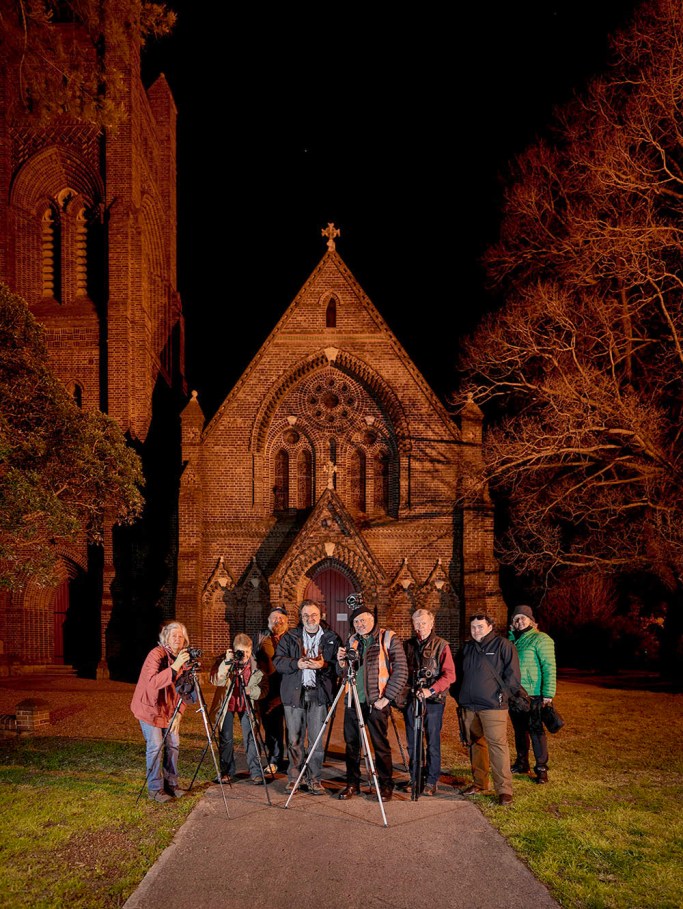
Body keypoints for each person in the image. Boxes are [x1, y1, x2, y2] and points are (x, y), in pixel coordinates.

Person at [336, 603, 408, 801]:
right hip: (353, 701)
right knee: (351, 746)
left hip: (377, 702)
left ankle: (386, 785)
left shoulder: (388, 637)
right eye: (356, 621)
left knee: (380, 745)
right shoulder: (352, 640)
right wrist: (341, 662)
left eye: (363, 620)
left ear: (372, 619)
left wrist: (387, 698)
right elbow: (344, 673)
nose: (359, 624)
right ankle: (352, 784)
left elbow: (401, 671)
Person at [452, 613, 521, 806]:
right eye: (473, 627)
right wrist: (459, 696)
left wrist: (503, 696)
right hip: (469, 706)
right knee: (476, 745)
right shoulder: (466, 648)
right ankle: (480, 783)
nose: (476, 630)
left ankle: (504, 790)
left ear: (490, 626)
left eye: (480, 626)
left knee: (497, 746)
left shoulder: (503, 646)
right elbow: (457, 674)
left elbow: (513, 676)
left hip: (493, 706)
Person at [273, 600, 341, 794]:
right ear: (301, 618)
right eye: (306, 616)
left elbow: (338, 666)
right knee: (294, 739)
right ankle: (295, 778)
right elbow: (278, 661)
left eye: (313, 615)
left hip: (318, 694)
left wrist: (324, 666)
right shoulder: (290, 637)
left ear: (320, 616)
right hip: (295, 694)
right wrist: (297, 664)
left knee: (316, 741)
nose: (310, 619)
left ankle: (314, 779)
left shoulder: (331, 638)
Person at [130, 620, 193, 803]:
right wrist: (174, 667)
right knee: (156, 746)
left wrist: (179, 713)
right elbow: (152, 683)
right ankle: (155, 789)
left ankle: (172, 784)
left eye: (180, 636)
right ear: (166, 637)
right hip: (149, 708)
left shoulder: (183, 658)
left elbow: (186, 689)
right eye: (174, 636)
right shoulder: (156, 655)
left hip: (169, 710)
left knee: (174, 744)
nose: (177, 639)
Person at [401, 608, 456, 796]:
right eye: (416, 623)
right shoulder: (407, 645)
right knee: (412, 742)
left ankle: (432, 780)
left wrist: (430, 690)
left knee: (432, 742)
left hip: (433, 701)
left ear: (431, 623)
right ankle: (415, 777)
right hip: (411, 700)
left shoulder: (442, 646)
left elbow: (450, 675)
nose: (420, 627)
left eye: (423, 623)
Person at [209, 633, 268, 784]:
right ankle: (227, 772)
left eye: (247, 652)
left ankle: (255, 771)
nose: (244, 656)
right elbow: (215, 680)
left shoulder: (256, 664)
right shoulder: (225, 660)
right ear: (235, 650)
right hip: (227, 703)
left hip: (247, 703)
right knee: (226, 738)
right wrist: (227, 663)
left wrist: (252, 691)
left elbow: (265, 688)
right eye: (241, 652)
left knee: (251, 737)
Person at [508, 604, 557, 784]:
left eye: (523, 618)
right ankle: (522, 763)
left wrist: (548, 693)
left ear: (531, 620)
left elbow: (549, 667)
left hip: (534, 695)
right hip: (515, 695)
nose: (519, 621)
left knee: (536, 731)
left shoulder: (541, 639)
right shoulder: (512, 641)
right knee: (520, 731)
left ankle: (541, 768)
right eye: (516, 618)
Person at [254, 606, 289, 773]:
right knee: (271, 728)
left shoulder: (292, 638)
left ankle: (295, 762)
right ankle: (274, 759)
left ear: (287, 622)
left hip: (289, 688)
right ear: (268, 621)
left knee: (293, 727)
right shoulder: (262, 638)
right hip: (269, 690)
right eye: (274, 618)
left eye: (281, 618)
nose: (278, 620)